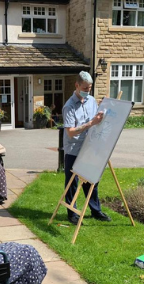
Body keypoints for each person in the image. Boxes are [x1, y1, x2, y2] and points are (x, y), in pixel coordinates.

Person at [62, 71, 111, 225]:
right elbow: (70, 132)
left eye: (90, 88)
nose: (88, 91)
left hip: (89, 146)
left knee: (92, 180)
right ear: (77, 85)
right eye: (85, 88)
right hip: (74, 148)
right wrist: (91, 123)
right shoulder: (69, 106)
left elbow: (97, 118)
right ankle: (72, 213)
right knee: (72, 182)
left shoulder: (90, 101)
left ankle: (96, 211)